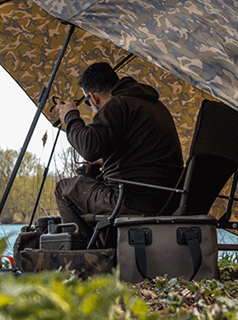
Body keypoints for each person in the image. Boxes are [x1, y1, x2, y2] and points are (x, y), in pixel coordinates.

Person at [55, 62, 184, 240]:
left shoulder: (117, 104)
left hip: (130, 200)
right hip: (167, 200)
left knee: (63, 188)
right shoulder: (152, 105)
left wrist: (70, 116)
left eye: (87, 102)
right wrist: (102, 162)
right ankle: (106, 248)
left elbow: (88, 147)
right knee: (86, 180)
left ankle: (84, 259)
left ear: (92, 97)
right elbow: (141, 151)